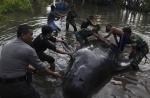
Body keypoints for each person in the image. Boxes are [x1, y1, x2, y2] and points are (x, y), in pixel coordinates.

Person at [0, 25, 62, 98]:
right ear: (23, 35)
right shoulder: (28, 49)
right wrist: (54, 73)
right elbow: (42, 68)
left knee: (29, 72)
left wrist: (35, 71)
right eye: (31, 35)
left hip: (1, 85)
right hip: (16, 85)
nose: (32, 37)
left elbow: (20, 64)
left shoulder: (7, 45)